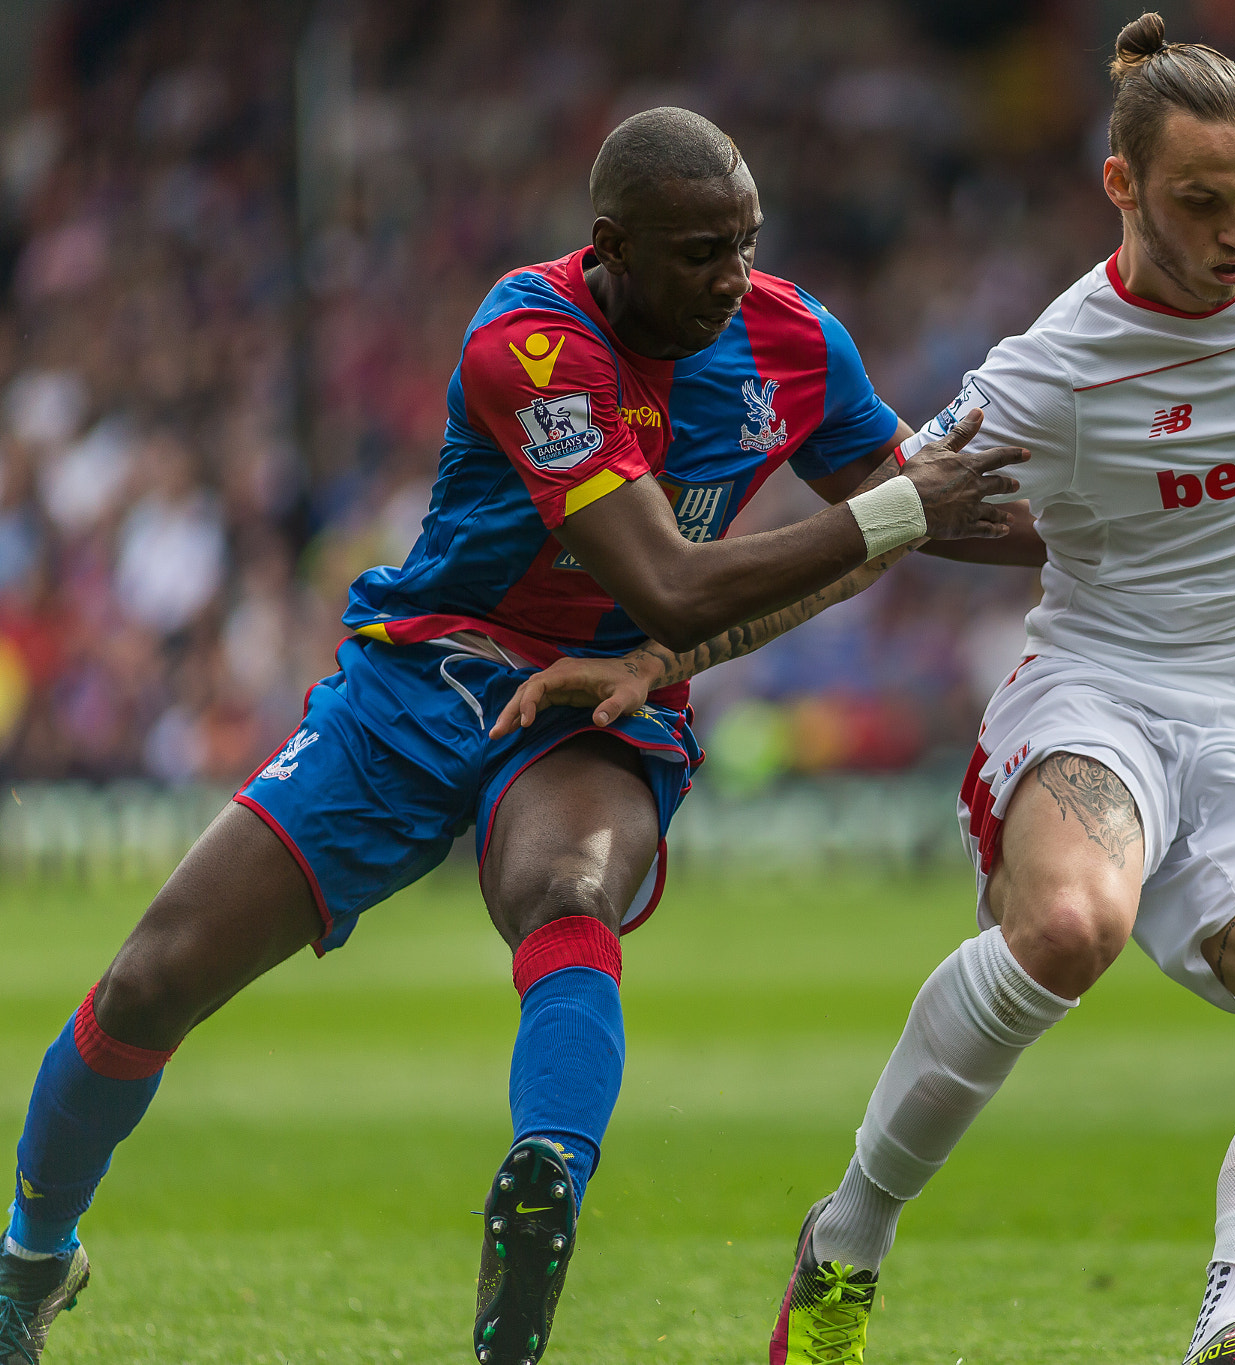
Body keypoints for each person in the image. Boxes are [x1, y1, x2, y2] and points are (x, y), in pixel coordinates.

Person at [506, 18, 1235, 1365]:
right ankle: (847, 1241)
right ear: (1123, 188)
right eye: (1200, 202)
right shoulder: (1055, 366)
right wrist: (665, 658)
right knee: (1064, 927)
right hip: (1097, 697)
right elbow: (879, 531)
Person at [0, 108, 1024, 1365]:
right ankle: (31, 1261)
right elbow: (678, 581)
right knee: (151, 979)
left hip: (602, 703)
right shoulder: (531, 341)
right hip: (426, 678)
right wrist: (900, 510)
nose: (731, 279)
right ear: (612, 246)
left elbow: (925, 506)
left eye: (746, 245)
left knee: (568, 888)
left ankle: (542, 1185)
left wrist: (1155, 517)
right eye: (700, 252)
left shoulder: (794, 338)